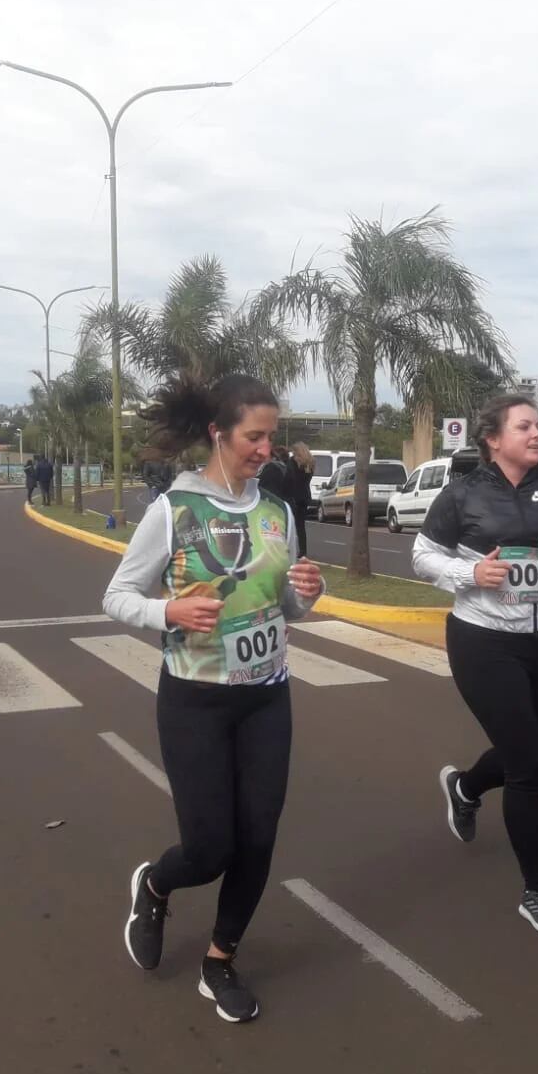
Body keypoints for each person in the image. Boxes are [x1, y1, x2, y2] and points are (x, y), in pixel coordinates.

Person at [105, 374, 325, 1024]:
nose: (266, 449)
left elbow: (289, 607)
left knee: (258, 838)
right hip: (195, 698)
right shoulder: (173, 510)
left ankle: (220, 960)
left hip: (267, 695)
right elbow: (117, 596)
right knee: (209, 848)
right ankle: (156, 883)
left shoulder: (277, 510)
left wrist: (305, 592)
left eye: (271, 437)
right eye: (254, 437)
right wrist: (168, 608)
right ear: (218, 434)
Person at [416, 394, 538, 935]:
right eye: (525, 426)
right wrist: (470, 576)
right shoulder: (464, 493)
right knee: (528, 765)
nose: (537, 434)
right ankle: (537, 889)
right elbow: (424, 554)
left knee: (534, 750)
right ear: (494, 439)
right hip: (483, 640)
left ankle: (466, 788)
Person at [285, 442, 314, 557]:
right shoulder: (310, 463)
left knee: (289, 524)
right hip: (305, 496)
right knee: (301, 526)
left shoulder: (292, 462)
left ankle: (288, 548)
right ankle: (303, 551)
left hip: (294, 496)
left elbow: (289, 477)